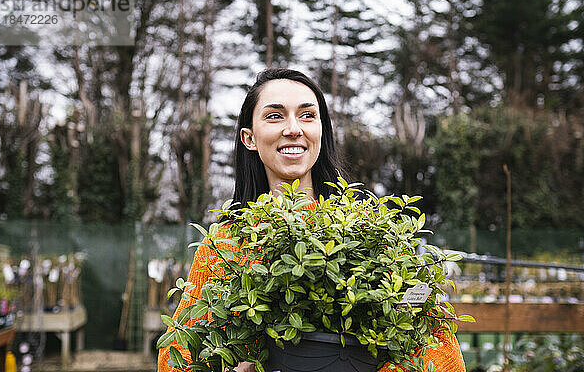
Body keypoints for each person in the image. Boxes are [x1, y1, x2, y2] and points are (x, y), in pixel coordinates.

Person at [158, 68, 466, 372]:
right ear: (249, 138)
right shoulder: (223, 245)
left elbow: (439, 347)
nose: (294, 128)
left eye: (307, 115)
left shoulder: (368, 232)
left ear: (321, 131)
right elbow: (178, 355)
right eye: (275, 116)